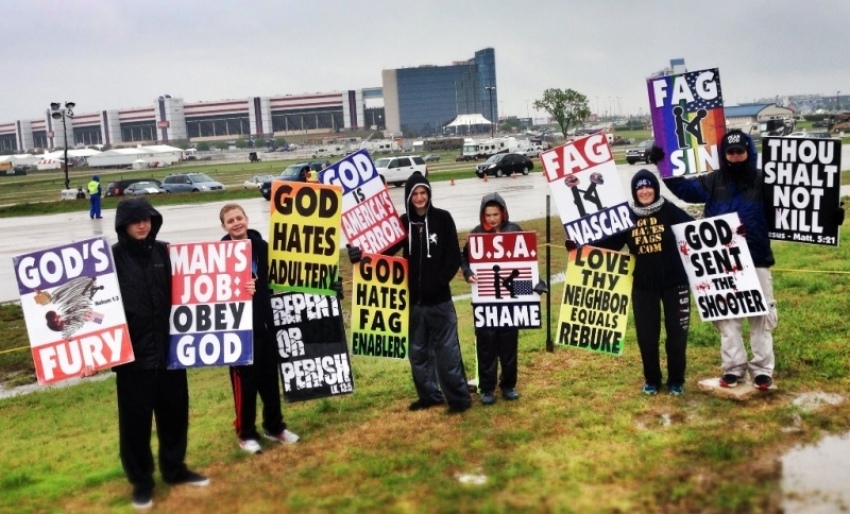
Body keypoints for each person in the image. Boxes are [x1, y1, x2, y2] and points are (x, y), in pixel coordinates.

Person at [660, 130, 778, 390]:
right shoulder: (713, 181)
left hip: (756, 257)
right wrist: (664, 166)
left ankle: (762, 371)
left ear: (749, 153)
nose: (735, 157)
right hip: (722, 259)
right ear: (724, 155)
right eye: (730, 153)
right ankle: (733, 368)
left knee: (761, 315)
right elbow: (684, 190)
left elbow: (789, 208)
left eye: (740, 152)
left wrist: (827, 218)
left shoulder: (764, 180)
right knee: (726, 316)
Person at [111, 197, 208, 509]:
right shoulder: (110, 259)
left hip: (170, 354)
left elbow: (201, 286)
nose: (143, 225)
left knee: (174, 418)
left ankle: (175, 470)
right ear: (123, 225)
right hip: (132, 361)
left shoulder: (167, 253)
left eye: (148, 219)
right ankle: (141, 483)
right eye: (136, 220)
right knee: (135, 425)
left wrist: (243, 287)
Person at [349, 171, 472, 413]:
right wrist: (358, 253)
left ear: (429, 193)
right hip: (412, 303)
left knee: (447, 354)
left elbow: (452, 258)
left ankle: (459, 400)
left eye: (423, 192)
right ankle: (429, 396)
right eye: (415, 193)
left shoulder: (443, 219)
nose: (419, 197)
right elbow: (383, 252)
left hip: (440, 302)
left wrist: (436, 283)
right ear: (408, 196)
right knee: (417, 354)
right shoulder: (403, 223)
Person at [590, 169, 694, 396]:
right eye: (640, 187)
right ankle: (652, 380)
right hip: (643, 286)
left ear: (655, 189)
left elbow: (695, 231)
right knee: (647, 337)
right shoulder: (627, 215)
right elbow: (611, 244)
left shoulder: (669, 210)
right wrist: (580, 247)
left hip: (675, 283)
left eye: (649, 187)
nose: (645, 191)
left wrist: (731, 232)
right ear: (634, 191)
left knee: (677, 336)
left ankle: (676, 380)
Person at [219, 203, 299, 454]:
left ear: (247, 218)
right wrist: (237, 289)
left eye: (239, 218)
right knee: (246, 384)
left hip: (264, 325)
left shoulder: (263, 248)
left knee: (269, 380)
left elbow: (287, 273)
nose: (236, 223)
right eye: (230, 221)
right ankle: (245, 433)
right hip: (237, 330)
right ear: (224, 226)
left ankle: (274, 426)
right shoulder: (217, 254)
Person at [460, 193, 525, 405]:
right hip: (485, 298)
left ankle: (508, 384)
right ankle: (486, 388)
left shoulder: (515, 230)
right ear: (482, 215)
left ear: (503, 212)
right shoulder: (476, 234)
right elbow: (464, 257)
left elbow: (526, 263)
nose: (492, 219)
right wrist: (468, 272)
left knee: (508, 344)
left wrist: (532, 285)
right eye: (487, 215)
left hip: (509, 299)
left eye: (495, 214)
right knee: (486, 344)